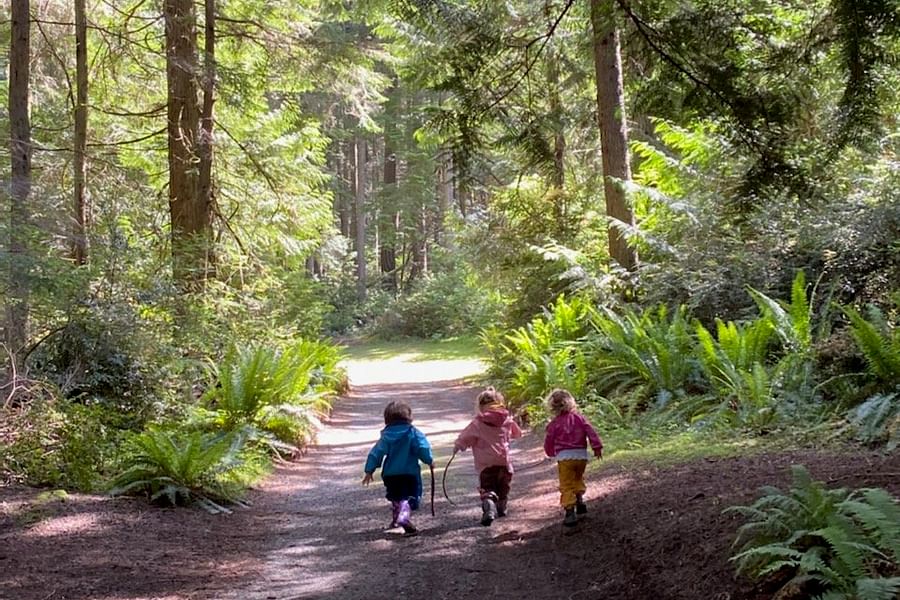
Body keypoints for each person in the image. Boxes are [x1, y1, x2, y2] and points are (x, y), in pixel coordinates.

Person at [453, 386, 522, 526]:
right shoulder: (507, 420)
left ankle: (489, 506)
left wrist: (458, 446)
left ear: (481, 405)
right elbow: (518, 434)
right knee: (503, 487)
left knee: (488, 488)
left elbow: (465, 437)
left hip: (486, 465)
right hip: (504, 463)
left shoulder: (478, 423)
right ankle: (501, 507)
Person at [363, 401, 434, 535]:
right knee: (408, 496)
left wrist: (369, 470)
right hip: (409, 473)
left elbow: (376, 452)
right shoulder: (413, 433)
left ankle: (396, 519)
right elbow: (422, 447)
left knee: (396, 496)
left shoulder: (386, 436)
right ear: (408, 417)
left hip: (391, 474)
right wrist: (429, 460)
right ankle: (403, 517)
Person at [543, 388, 603, 527]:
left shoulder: (554, 424)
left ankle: (570, 511)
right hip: (581, 455)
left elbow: (549, 440)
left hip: (565, 457)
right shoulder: (579, 418)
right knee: (577, 477)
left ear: (552, 406)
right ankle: (580, 500)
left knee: (566, 483)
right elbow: (590, 431)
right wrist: (597, 447)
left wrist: (550, 452)